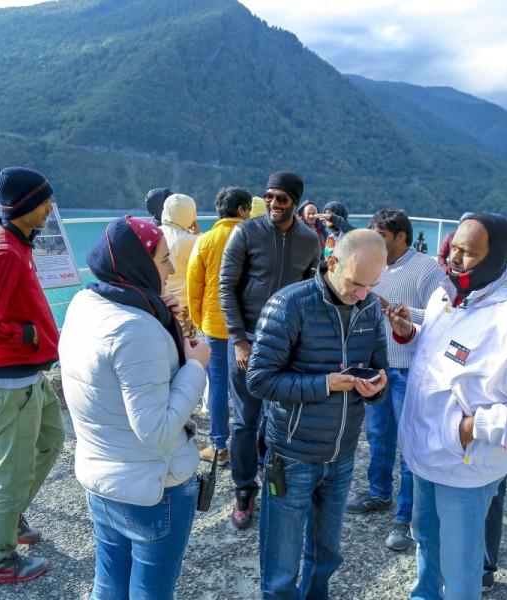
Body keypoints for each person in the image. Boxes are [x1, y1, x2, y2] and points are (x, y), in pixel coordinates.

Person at [388, 213, 507, 599]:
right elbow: (452, 356)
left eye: (468, 253)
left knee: (460, 567)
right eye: (454, 247)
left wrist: (472, 428)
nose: (455, 259)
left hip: (465, 470)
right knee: (426, 540)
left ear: (494, 259)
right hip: (425, 455)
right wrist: (411, 333)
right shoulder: (447, 294)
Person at [60, 216, 210, 599]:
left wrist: (158, 312)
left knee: (108, 584)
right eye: (163, 260)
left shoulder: (86, 302)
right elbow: (156, 432)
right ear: (139, 265)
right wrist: (196, 366)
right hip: (152, 488)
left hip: (103, 480)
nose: (172, 269)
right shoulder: (136, 328)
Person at [246, 229, 390, 599]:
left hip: (341, 457)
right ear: (331, 263)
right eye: (357, 283)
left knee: (326, 558)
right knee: (280, 572)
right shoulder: (289, 304)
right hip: (292, 456)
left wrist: (376, 389)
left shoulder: (370, 306)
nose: (364, 294)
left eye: (372, 285)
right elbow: (259, 380)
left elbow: (378, 368)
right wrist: (324, 384)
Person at [0, 167, 64, 586]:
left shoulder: (16, 242)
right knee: (12, 471)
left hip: (27, 372)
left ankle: (6, 518)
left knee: (51, 440)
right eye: (43, 201)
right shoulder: (5, 251)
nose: (50, 207)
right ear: (24, 207)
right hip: (9, 379)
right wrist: (28, 334)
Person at [219, 171, 320, 529]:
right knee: (245, 420)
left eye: (282, 198)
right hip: (248, 337)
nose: (274, 204)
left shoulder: (310, 240)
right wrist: (239, 339)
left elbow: (312, 293)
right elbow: (226, 287)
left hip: (287, 343)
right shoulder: (246, 233)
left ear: (295, 200)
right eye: (270, 197)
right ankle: (244, 490)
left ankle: (273, 475)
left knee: (281, 417)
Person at [346, 208, 443, 551]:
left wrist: (401, 310)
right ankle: (378, 493)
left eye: (382, 237)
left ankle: (406, 517)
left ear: (402, 236)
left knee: (409, 445)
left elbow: (442, 315)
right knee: (377, 436)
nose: (376, 242)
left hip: (410, 369)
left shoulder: (428, 268)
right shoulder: (374, 264)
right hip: (377, 366)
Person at [187, 187, 253, 466]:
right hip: (248, 326)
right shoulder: (254, 237)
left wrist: (198, 320)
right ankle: (247, 445)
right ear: (241, 210)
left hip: (215, 325)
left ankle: (218, 445)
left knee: (217, 386)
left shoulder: (205, 240)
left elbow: (194, 285)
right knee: (247, 386)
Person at [160, 193, 199, 336]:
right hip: (181, 306)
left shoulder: (155, 234)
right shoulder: (193, 241)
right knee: (185, 348)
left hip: (158, 302)